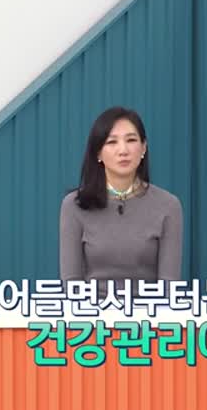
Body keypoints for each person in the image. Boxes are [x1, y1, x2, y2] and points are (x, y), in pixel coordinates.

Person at [59, 107, 183, 298]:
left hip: (149, 314)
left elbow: (169, 287)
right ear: (98, 153)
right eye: (112, 142)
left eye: (131, 140)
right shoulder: (74, 205)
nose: (123, 150)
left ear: (143, 148)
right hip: (92, 314)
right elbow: (71, 284)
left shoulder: (168, 206)